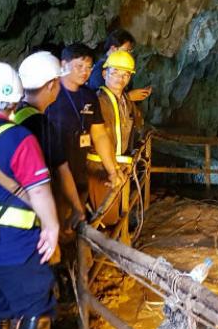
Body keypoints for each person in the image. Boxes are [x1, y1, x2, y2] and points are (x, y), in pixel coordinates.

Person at [0, 62, 59, 329]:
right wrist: (51, 228)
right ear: (12, 102)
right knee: (36, 305)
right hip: (14, 247)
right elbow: (38, 190)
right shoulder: (18, 138)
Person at [46, 44, 124, 217]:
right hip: (52, 172)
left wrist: (112, 171)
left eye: (89, 67)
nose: (85, 71)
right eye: (79, 66)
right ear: (63, 64)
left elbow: (100, 134)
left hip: (79, 168)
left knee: (76, 221)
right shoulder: (49, 93)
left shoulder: (89, 96)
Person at [16, 52, 86, 236]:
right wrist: (77, 208)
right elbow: (61, 170)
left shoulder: (14, 113)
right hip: (34, 215)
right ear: (51, 85)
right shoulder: (41, 124)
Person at [91, 50, 143, 227]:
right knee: (105, 217)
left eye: (126, 74)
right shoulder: (99, 100)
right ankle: (101, 253)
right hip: (101, 168)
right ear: (105, 73)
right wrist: (111, 168)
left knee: (116, 213)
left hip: (118, 166)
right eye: (115, 73)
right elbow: (99, 137)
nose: (120, 79)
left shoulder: (124, 100)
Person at [88, 29, 152, 103]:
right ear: (113, 49)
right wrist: (128, 97)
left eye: (130, 51)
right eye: (126, 50)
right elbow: (97, 100)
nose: (129, 55)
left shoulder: (117, 65)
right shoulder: (100, 70)